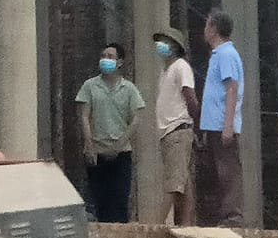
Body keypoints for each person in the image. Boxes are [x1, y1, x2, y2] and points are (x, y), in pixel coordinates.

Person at [74, 43, 146, 222]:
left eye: (110, 56)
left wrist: (119, 145)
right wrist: (89, 146)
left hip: (121, 153)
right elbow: (84, 116)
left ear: (120, 62)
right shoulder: (90, 86)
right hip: (96, 153)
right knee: (100, 201)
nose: (105, 59)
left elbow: (136, 119)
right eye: (103, 56)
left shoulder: (129, 89)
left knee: (120, 199)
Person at [196, 9, 245, 226]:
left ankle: (232, 216)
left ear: (214, 28)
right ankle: (221, 215)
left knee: (227, 170)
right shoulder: (218, 55)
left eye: (207, 25)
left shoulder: (226, 54)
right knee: (217, 171)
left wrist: (228, 125)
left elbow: (231, 88)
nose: (205, 30)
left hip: (221, 123)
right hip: (213, 124)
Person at [152, 27, 199, 226]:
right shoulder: (165, 71)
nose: (160, 45)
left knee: (173, 184)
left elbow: (190, 97)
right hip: (168, 132)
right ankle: (187, 226)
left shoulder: (181, 66)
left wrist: (196, 124)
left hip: (178, 129)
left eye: (165, 41)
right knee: (183, 184)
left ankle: (155, 224)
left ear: (175, 46)